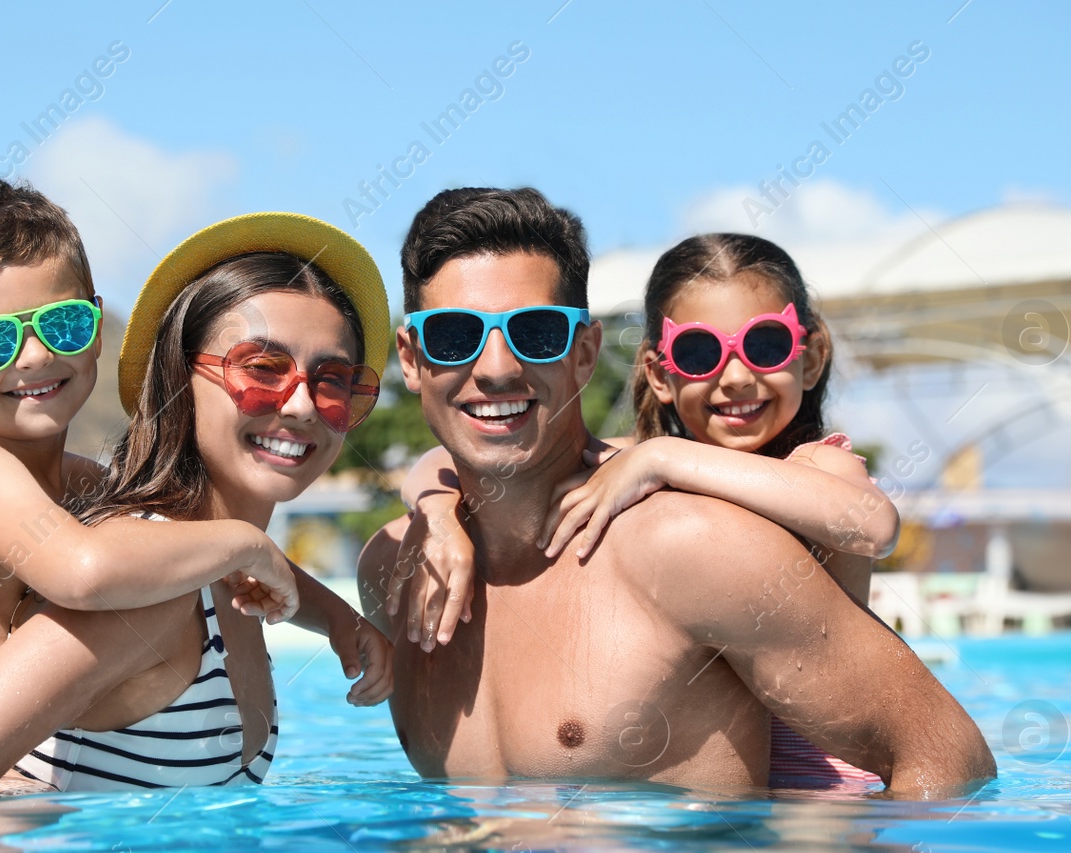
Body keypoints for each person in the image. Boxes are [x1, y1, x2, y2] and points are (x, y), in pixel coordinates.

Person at [356, 187, 994, 797]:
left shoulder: (696, 546)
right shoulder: (392, 569)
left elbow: (947, 758)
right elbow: (441, 465)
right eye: (453, 336)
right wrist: (436, 510)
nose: (496, 368)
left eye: (538, 332)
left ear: (584, 354)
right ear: (411, 359)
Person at [0, 182, 336, 789]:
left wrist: (341, 623)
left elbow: (200, 557)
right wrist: (246, 543)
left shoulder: (77, 479)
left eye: (63, 324)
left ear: (96, 326)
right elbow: (84, 571)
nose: (31, 355)